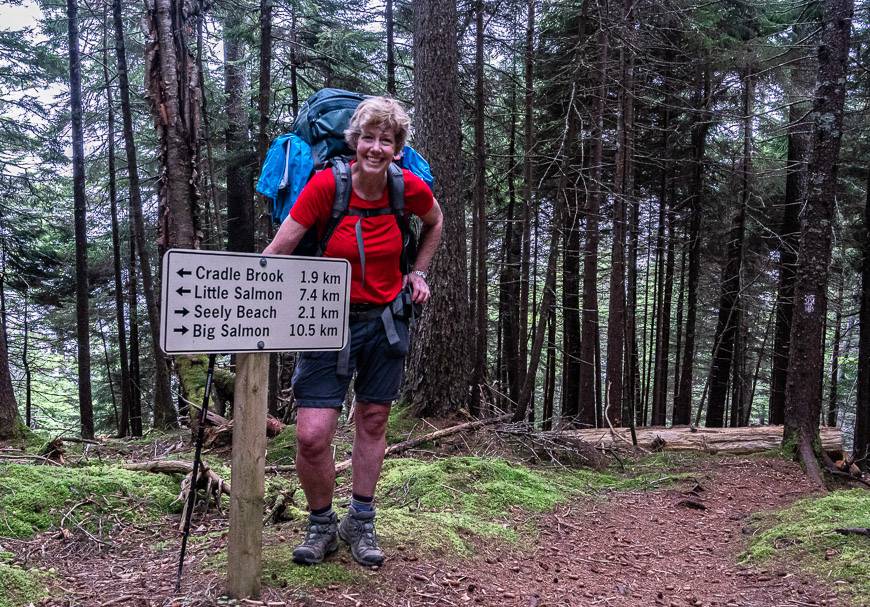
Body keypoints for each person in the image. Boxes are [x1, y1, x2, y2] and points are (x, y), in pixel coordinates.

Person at [263, 96, 443, 567]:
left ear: (398, 148)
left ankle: (360, 520)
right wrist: (245, 299)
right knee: (312, 435)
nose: (376, 148)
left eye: (386, 140)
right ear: (355, 141)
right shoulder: (326, 186)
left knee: (374, 420)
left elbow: (435, 222)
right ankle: (320, 523)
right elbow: (280, 248)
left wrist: (418, 273)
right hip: (324, 320)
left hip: (385, 320)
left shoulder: (408, 190)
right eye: (368, 137)